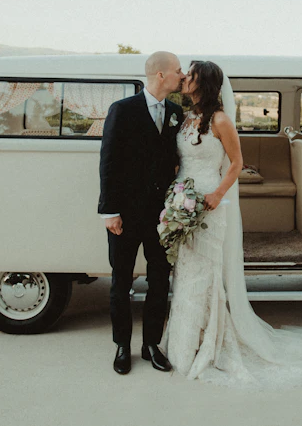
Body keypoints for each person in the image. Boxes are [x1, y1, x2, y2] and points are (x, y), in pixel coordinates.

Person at [163, 60, 302, 388]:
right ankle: (185, 344)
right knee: (185, 273)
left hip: (209, 204)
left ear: (204, 82)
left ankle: (208, 344)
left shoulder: (221, 120)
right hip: (184, 199)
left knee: (206, 275)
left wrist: (216, 195)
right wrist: (175, 197)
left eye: (190, 74)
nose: (184, 77)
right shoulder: (186, 118)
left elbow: (237, 163)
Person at [98, 51, 185, 375]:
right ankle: (122, 345)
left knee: (160, 280)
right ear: (161, 75)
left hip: (163, 216)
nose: (183, 75)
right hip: (125, 214)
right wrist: (110, 211)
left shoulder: (176, 112)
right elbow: (108, 162)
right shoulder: (121, 110)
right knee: (121, 281)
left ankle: (152, 344)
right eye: (178, 71)